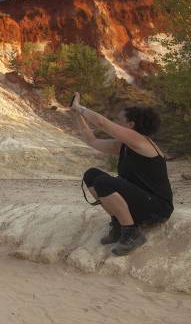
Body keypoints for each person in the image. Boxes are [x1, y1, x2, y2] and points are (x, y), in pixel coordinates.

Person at [71, 92, 174, 256]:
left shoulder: (140, 141)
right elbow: (92, 141)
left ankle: (131, 233)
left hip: (157, 208)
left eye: (119, 121)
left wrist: (80, 107)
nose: (115, 123)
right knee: (91, 175)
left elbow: (102, 123)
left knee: (104, 182)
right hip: (141, 203)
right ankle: (119, 225)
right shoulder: (125, 146)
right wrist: (77, 115)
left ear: (131, 125)